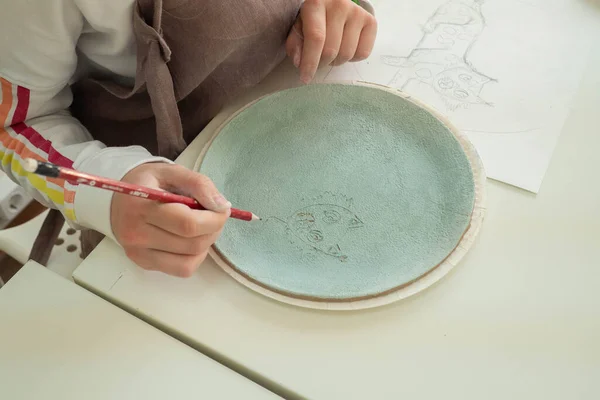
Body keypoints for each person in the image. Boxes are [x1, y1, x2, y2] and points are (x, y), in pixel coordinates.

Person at [0, 0, 377, 277]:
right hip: (166, 204)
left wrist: (338, 11)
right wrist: (108, 192)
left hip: (308, 114)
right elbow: (13, 125)